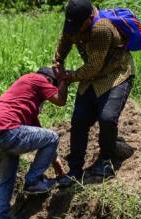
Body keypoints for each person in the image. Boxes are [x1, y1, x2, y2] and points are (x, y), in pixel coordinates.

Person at [53, 0, 135, 187]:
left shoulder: (101, 29)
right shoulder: (74, 23)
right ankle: (74, 168)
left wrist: (68, 77)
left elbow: (94, 66)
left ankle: (106, 159)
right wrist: (58, 62)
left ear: (89, 18)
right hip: (91, 78)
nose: (73, 30)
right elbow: (65, 41)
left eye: (78, 26)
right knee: (79, 120)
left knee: (107, 118)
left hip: (116, 74)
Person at [0, 67, 67, 219]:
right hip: (6, 131)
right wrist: (64, 80)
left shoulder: (25, 98)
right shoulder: (38, 79)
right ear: (48, 81)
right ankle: (33, 181)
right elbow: (60, 101)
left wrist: (59, 170)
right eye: (49, 91)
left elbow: (42, 138)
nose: (46, 100)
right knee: (53, 136)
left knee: (7, 177)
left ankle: (0, 217)